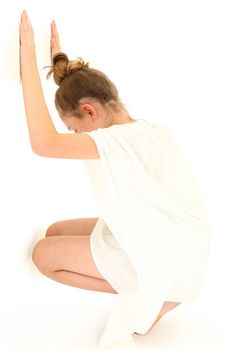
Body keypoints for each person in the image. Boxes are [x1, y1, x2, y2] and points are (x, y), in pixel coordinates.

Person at [19, 10, 211, 348]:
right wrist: (61, 70)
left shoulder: (117, 141)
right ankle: (163, 286)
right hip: (181, 240)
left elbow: (44, 143)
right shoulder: (143, 132)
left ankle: (158, 292)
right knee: (54, 232)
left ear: (90, 111)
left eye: (74, 128)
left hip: (169, 253)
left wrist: (26, 63)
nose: (75, 135)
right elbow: (84, 91)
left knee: (42, 256)